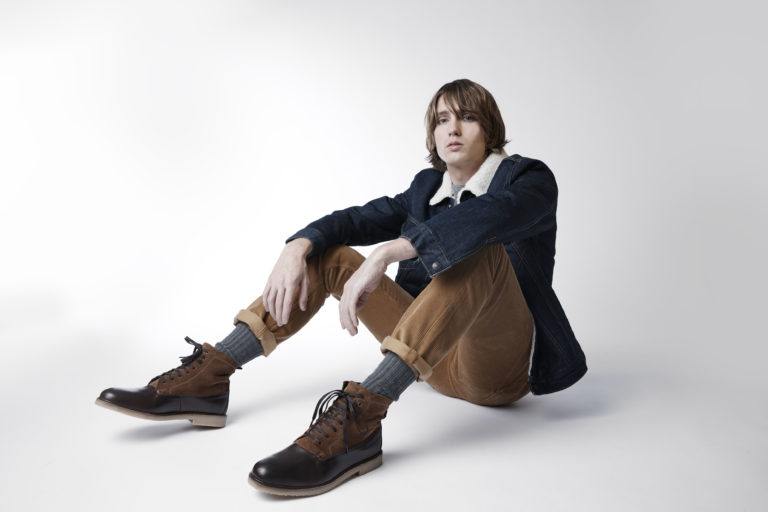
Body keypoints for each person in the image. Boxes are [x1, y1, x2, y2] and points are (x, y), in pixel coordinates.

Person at [96, 78, 587, 497]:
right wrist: (299, 244)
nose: (452, 129)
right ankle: (211, 377)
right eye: (441, 120)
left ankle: (362, 418)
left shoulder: (529, 180)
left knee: (481, 250)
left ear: (490, 129)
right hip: (430, 360)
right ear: (432, 135)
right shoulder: (425, 189)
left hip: (495, 371)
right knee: (330, 254)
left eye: (467, 118)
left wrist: (388, 252)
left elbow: (493, 216)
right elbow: (356, 218)